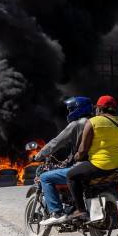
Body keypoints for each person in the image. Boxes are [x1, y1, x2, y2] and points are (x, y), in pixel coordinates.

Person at [67, 95, 118, 220]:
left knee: (71, 175)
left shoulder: (93, 122)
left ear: (99, 108)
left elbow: (82, 150)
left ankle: (80, 210)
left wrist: (76, 157)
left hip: (102, 164)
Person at [35, 96, 93, 226]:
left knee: (45, 177)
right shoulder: (96, 122)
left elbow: (56, 142)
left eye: (71, 109)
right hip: (97, 164)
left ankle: (56, 213)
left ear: (78, 109)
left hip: (82, 166)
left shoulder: (76, 124)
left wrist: (39, 155)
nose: (69, 112)